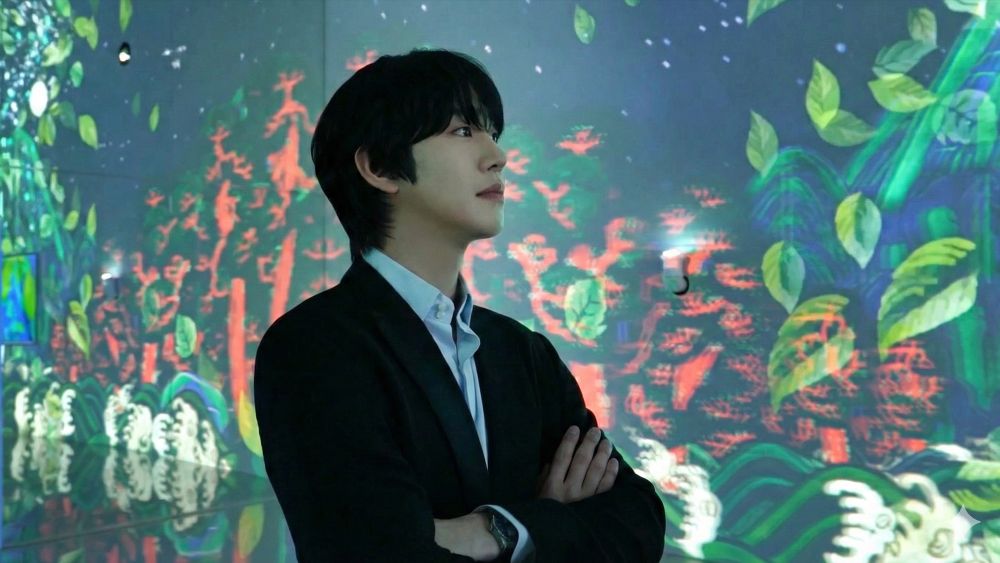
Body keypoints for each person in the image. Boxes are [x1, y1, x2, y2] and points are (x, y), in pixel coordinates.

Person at [252, 48, 666, 562]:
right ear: (380, 167)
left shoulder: (522, 351)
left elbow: (639, 520)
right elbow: (380, 554)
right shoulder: (312, 348)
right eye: (463, 131)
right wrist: (548, 521)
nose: (497, 156)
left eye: (492, 132)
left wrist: (492, 531)